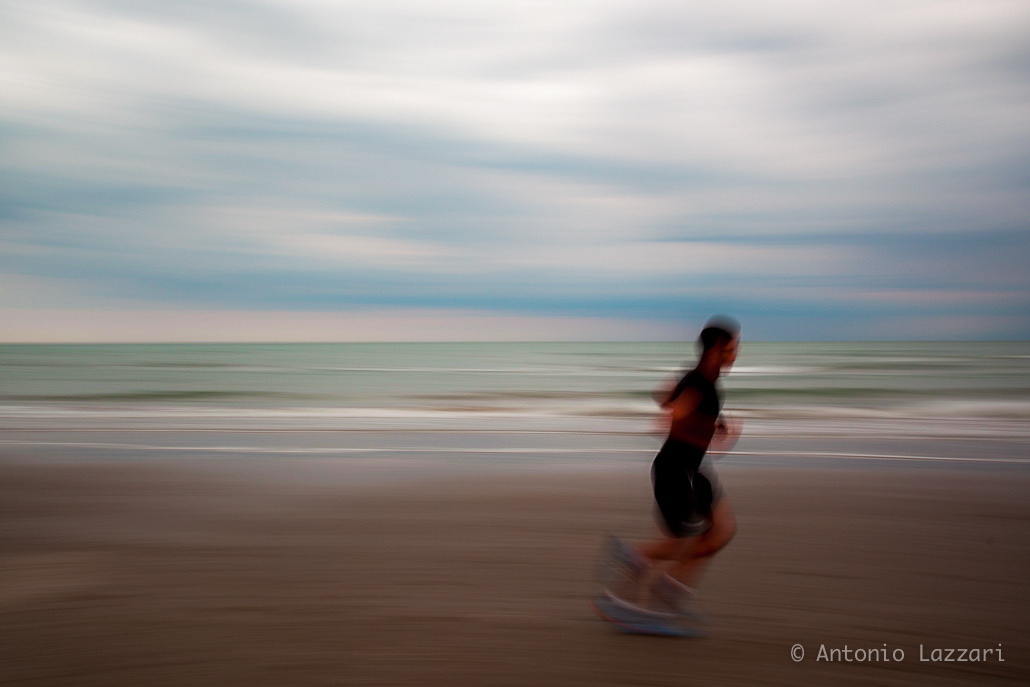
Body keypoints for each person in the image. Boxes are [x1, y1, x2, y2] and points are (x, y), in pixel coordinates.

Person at [608, 316, 741, 617]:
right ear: (717, 347)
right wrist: (717, 431)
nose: (737, 353)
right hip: (675, 472)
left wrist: (712, 423)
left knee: (722, 530)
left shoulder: (700, 378)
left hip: (694, 471)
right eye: (734, 347)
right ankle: (632, 565)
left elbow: (662, 398)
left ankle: (671, 590)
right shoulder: (699, 382)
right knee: (682, 543)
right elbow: (673, 414)